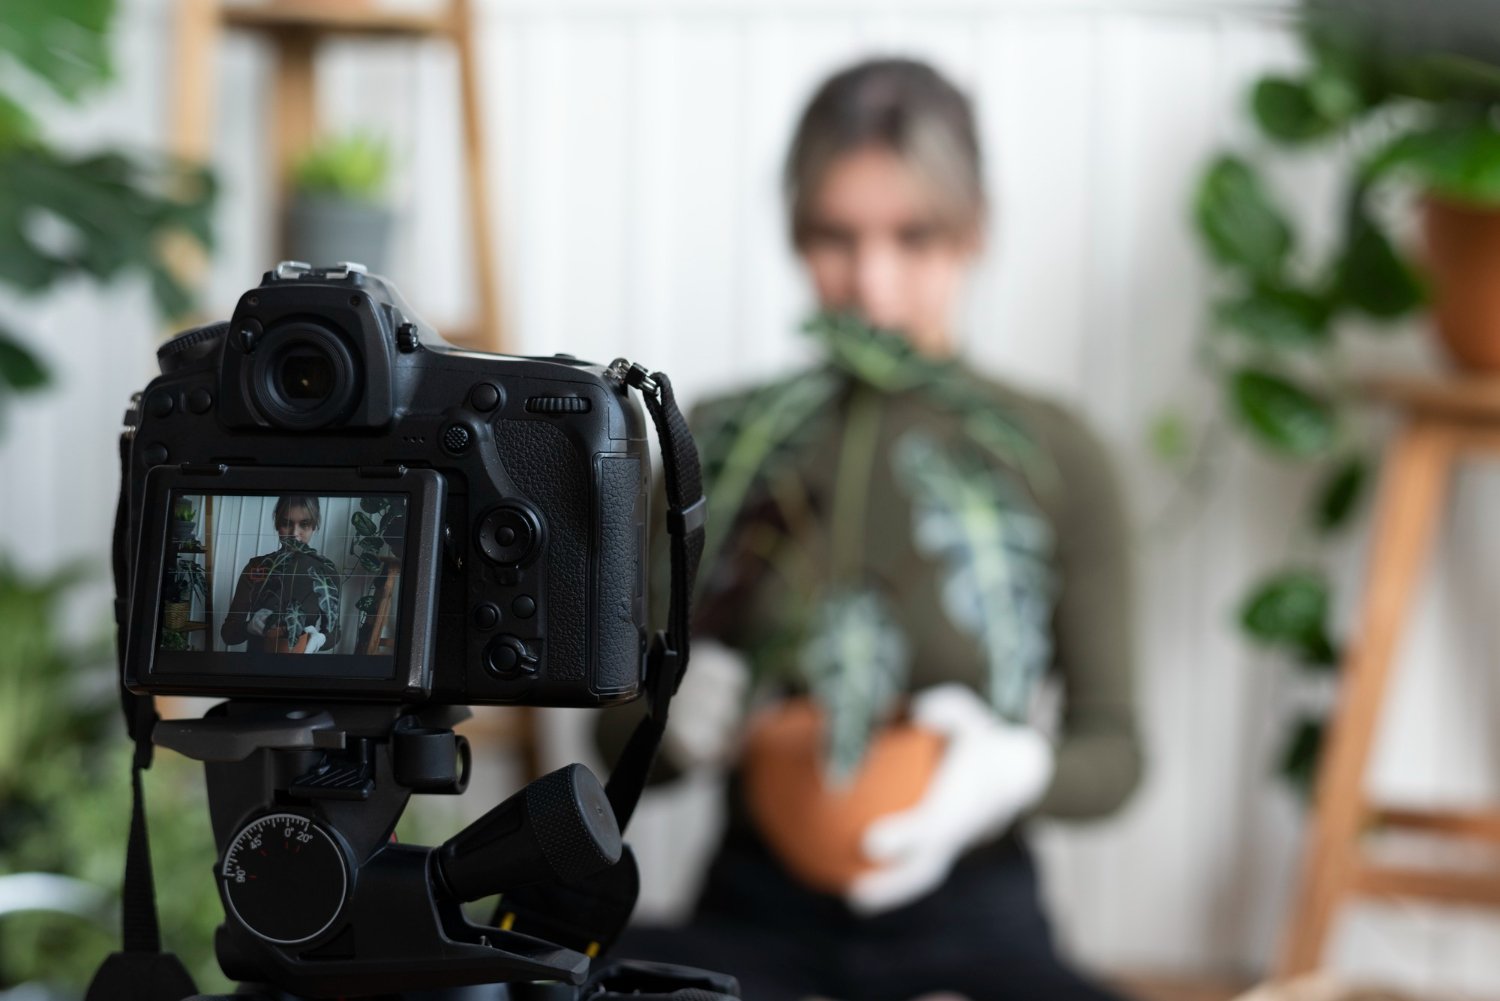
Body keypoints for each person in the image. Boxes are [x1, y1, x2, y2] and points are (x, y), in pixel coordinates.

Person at [598, 57, 1142, 1001]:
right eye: (836, 239)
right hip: (758, 916)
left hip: (977, 922)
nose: (873, 287)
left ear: (974, 231)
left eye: (914, 237)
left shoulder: (1050, 452)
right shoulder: (730, 443)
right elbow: (614, 738)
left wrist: (1013, 772)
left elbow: (1117, 751)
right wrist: (673, 721)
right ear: (796, 235)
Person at [220, 495, 342, 654]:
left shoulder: (325, 571)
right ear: (277, 524)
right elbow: (229, 635)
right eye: (286, 524)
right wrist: (249, 627)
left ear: (314, 526)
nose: (295, 534)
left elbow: (333, 631)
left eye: (304, 525)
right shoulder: (258, 567)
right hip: (256, 666)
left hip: (302, 668)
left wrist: (320, 639)